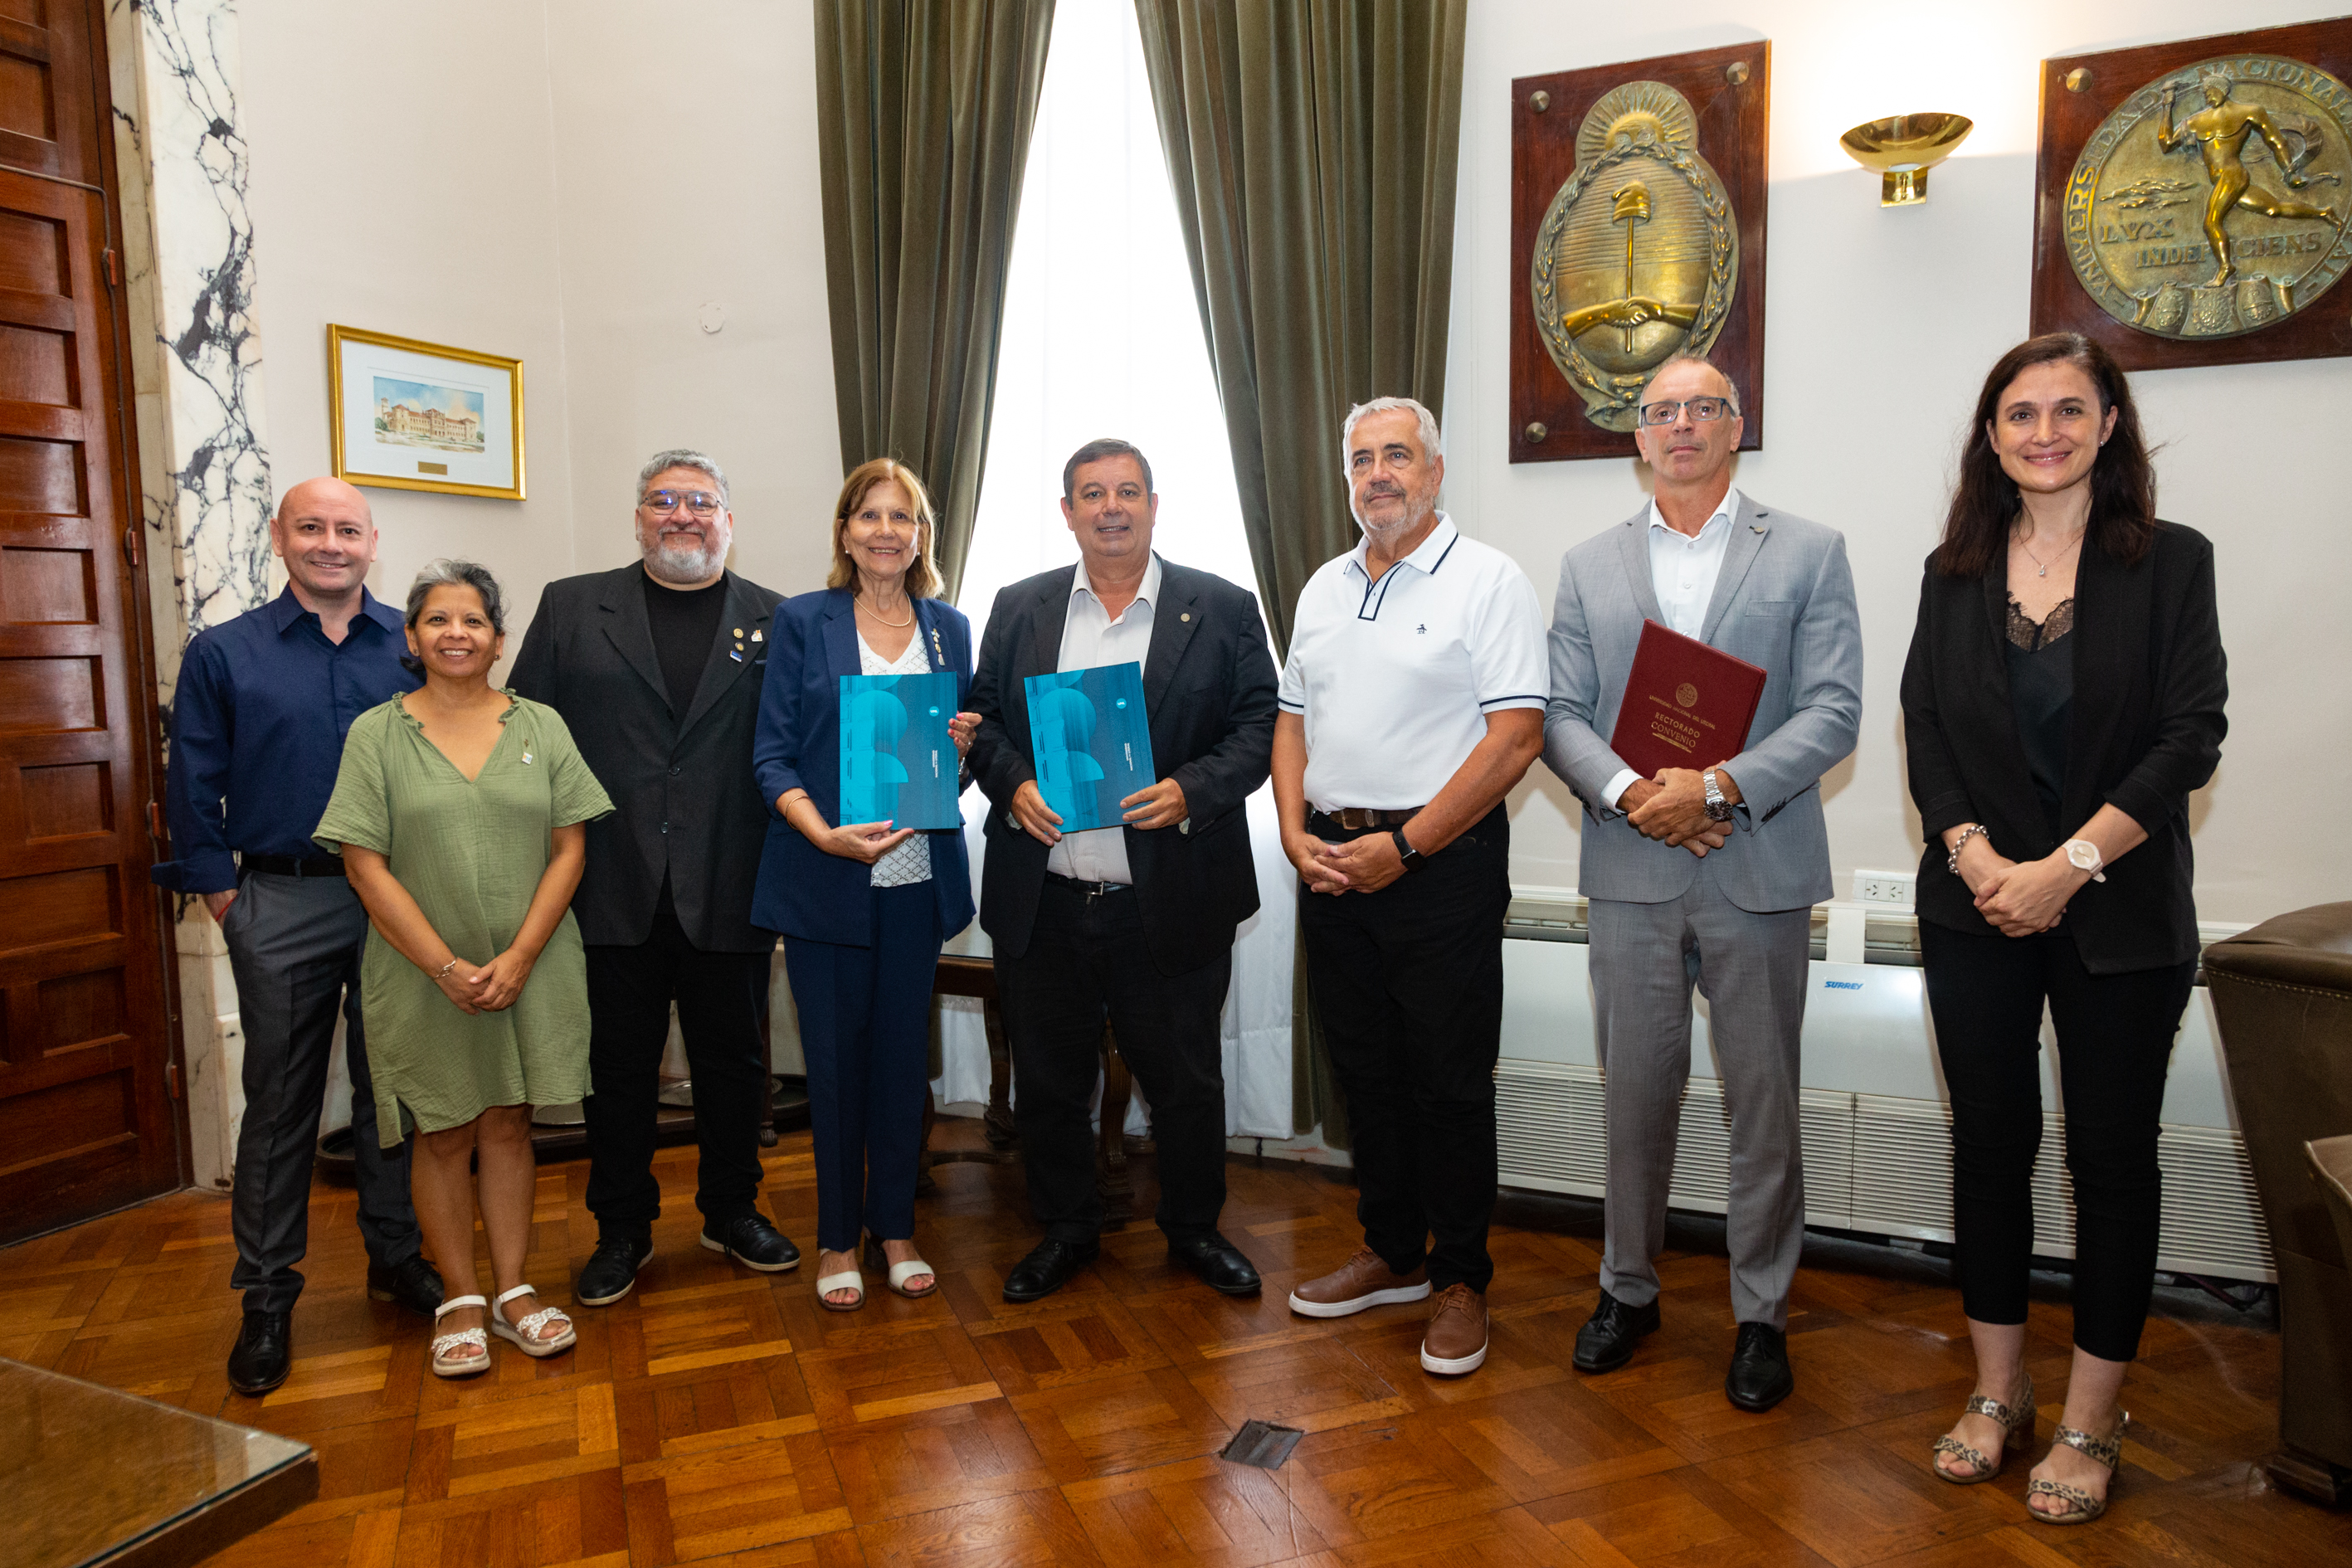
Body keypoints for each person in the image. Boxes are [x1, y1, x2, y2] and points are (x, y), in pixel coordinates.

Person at [1903, 333, 2224, 1524]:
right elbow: (1924, 727)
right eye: (2020, 414)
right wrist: (1977, 857)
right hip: (1974, 906)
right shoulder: (1951, 571)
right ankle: (1998, 1390)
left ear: (2107, 425)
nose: (2044, 432)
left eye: (2067, 410)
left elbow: (2190, 734)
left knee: (2110, 1161)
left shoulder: (2170, 561)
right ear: (1990, 438)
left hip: (2120, 914)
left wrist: (2067, 866)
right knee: (1988, 1149)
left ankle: (2092, 1418)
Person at [1541, 353, 1861, 1411]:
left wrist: (1715, 787)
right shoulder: (1587, 564)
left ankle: (1761, 1315)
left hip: (1756, 865)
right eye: (1661, 410)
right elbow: (1560, 713)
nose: (1681, 424)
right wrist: (1637, 795)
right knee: (1634, 1098)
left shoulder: (1809, 550)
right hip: (1630, 864)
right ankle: (1626, 1290)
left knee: (1763, 1105)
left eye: (1703, 408)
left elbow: (1833, 710)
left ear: (1735, 426)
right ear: (1639, 437)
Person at [968, 437, 1278, 1303]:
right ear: (1067, 511)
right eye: (1093, 493)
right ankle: (1066, 1229)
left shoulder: (1220, 606)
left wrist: (1190, 790)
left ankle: (1194, 1229)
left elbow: (1261, 726)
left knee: (1185, 1082)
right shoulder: (1019, 605)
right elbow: (983, 720)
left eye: (1128, 491)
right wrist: (1013, 782)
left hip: (1169, 896)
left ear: (1153, 504)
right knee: (1049, 1084)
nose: (1112, 507)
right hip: (1046, 896)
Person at [1276, 397, 1547, 1377]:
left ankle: (1460, 1278)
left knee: (1448, 1082)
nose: (1378, 474)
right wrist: (1293, 832)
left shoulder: (1489, 580)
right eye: (1362, 459)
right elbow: (1291, 721)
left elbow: (1516, 738)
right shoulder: (1323, 586)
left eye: (1397, 455)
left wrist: (1409, 846)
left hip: (1441, 866)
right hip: (1333, 864)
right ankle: (1392, 1250)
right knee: (1367, 1073)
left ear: (1434, 471)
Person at [153, 476, 440, 1397]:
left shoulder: (414, 645)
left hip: (398, 900)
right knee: (279, 1106)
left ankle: (397, 1258)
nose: (330, 543)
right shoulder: (224, 652)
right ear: (280, 538)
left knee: (393, 1091)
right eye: (310, 527)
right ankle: (268, 1296)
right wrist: (223, 896)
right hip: (279, 899)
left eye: (347, 529)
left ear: (373, 542)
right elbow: (191, 781)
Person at [509, 450, 799, 1307]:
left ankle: (731, 1211)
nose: (682, 515)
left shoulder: (779, 619)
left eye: (701, 502)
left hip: (732, 880)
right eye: (663, 500)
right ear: (638, 518)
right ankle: (622, 1229)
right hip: (608, 881)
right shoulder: (571, 608)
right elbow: (525, 738)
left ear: (728, 522)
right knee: (618, 1070)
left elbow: (809, 736)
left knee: (733, 1066)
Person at [314, 560, 614, 1377]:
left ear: (498, 639)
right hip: (420, 971)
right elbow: (363, 864)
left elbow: (571, 847)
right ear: (412, 638)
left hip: (531, 964)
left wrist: (519, 957)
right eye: (438, 620)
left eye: (473, 620)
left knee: (511, 1122)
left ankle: (513, 1291)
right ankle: (460, 1297)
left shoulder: (541, 726)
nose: (457, 633)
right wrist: (445, 966)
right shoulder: (377, 734)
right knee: (442, 1130)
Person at [752, 460, 977, 1309]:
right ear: (845, 532)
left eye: (902, 517)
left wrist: (960, 753)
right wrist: (822, 834)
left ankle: (896, 1230)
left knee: (899, 1064)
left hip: (917, 884)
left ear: (921, 537)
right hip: (825, 880)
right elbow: (771, 755)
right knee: (836, 1067)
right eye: (870, 515)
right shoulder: (802, 621)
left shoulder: (949, 628)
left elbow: (951, 768)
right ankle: (837, 1239)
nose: (886, 530)